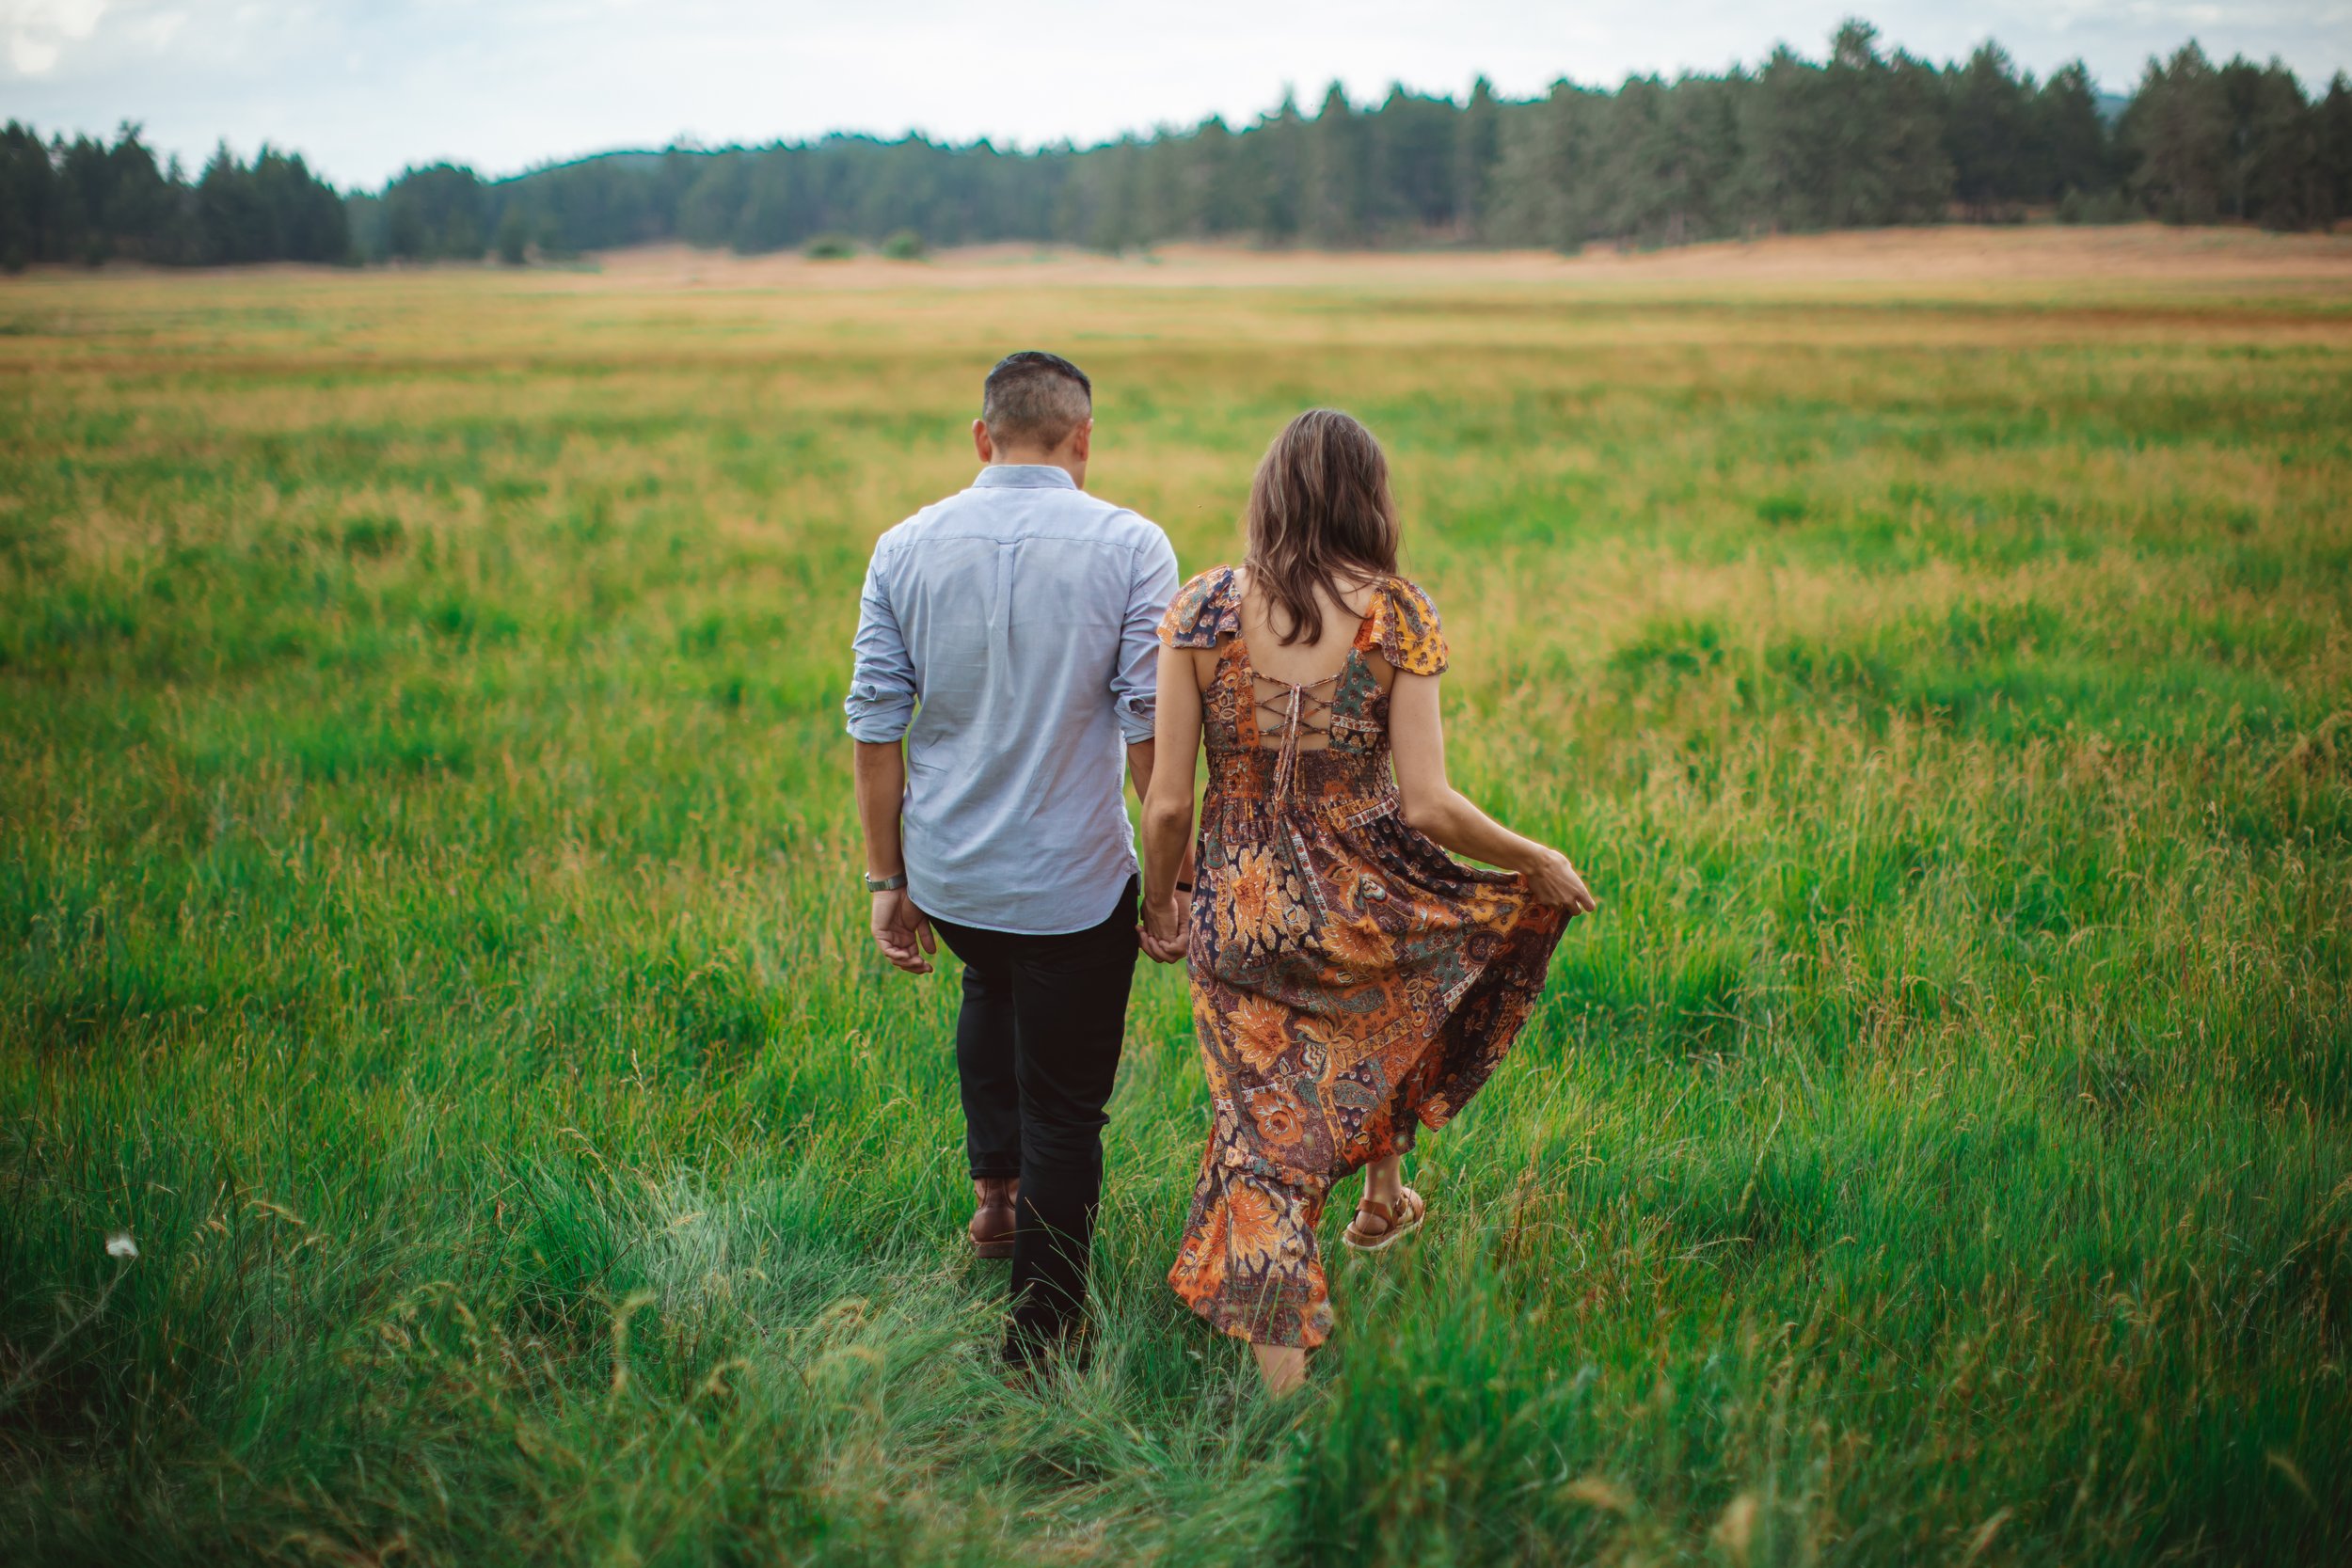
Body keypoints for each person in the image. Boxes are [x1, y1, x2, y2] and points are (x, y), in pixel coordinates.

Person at [1139, 408, 1597, 1396]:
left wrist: (1162, 904)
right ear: (1368, 499)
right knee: (1399, 1012)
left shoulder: (1201, 609)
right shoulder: (1396, 614)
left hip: (1241, 909)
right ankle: (1373, 1210)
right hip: (1365, 903)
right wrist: (1535, 858)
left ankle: (1286, 1391)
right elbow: (1429, 804)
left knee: (1259, 1142)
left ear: (1270, 494)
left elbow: (1168, 800)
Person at [845, 350, 1182, 1368]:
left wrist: (887, 881)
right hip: (1074, 881)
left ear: (982, 437)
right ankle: (1042, 1334)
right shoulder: (1133, 544)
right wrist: (1166, 891)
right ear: (1083, 440)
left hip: (950, 874)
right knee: (1067, 1110)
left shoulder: (902, 545)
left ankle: (996, 1199)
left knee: (988, 982)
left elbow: (875, 726)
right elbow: (1148, 737)